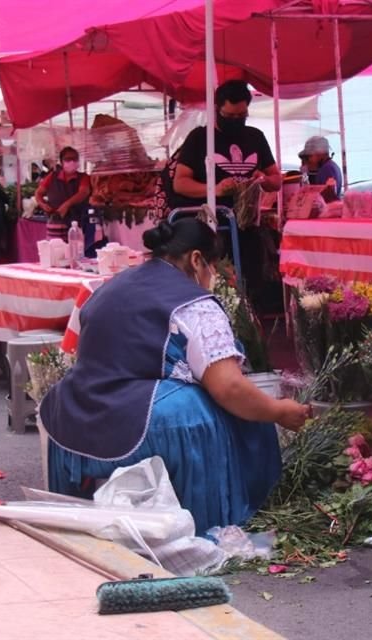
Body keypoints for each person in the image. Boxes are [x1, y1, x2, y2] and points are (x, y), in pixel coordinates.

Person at [39, 216, 310, 534]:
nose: (210, 277)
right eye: (211, 266)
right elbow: (230, 388)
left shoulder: (110, 287)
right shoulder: (195, 304)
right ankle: (208, 520)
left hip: (71, 420)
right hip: (139, 428)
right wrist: (278, 411)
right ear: (197, 260)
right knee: (209, 406)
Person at [171, 80, 282, 210]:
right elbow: (180, 183)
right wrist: (214, 190)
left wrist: (264, 179)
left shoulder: (256, 136)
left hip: (246, 219)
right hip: (208, 219)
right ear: (217, 109)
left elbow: (276, 180)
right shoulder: (199, 137)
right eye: (229, 115)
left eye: (241, 115)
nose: (235, 120)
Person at [34, 146, 94, 254]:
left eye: (74, 159)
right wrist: (42, 204)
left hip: (78, 221)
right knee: (56, 253)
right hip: (55, 222)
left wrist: (66, 205)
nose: (71, 162)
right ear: (61, 162)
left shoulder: (83, 177)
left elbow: (83, 192)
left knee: (76, 252)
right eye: (68, 159)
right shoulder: (52, 176)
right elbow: (38, 193)